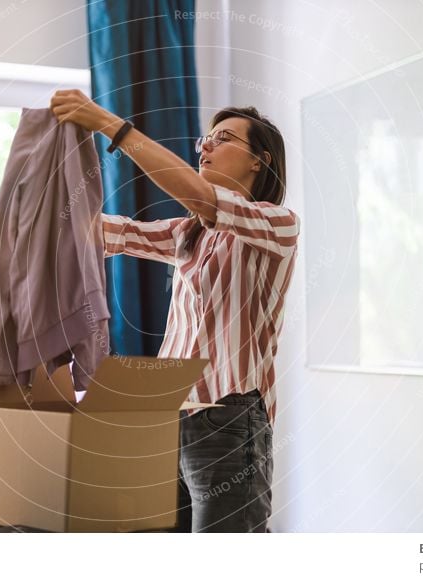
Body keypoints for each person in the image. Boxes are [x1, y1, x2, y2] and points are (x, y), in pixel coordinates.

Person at [50, 89, 299, 532]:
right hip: (172, 420)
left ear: (259, 160)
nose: (205, 145)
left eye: (222, 138)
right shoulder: (189, 234)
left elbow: (197, 194)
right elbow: (113, 234)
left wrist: (108, 123)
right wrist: (46, 195)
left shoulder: (278, 225)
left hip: (229, 419)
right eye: (205, 137)